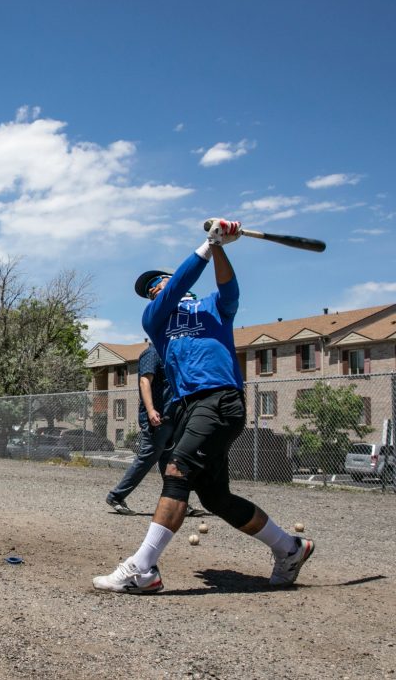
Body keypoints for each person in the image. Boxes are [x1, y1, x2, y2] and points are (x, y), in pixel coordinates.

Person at [93, 219, 314, 593]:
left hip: (220, 398)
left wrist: (219, 247)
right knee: (215, 497)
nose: (155, 289)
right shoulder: (156, 319)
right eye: (151, 290)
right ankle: (289, 548)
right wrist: (207, 245)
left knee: (177, 470)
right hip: (185, 407)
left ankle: (142, 569)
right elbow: (178, 284)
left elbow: (229, 287)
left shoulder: (213, 308)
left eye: (158, 282)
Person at [106, 345, 207, 517]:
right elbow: (144, 381)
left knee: (172, 461)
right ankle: (116, 496)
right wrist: (151, 410)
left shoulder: (171, 354)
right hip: (157, 419)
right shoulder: (152, 353)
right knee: (147, 457)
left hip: (172, 418)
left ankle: (178, 502)